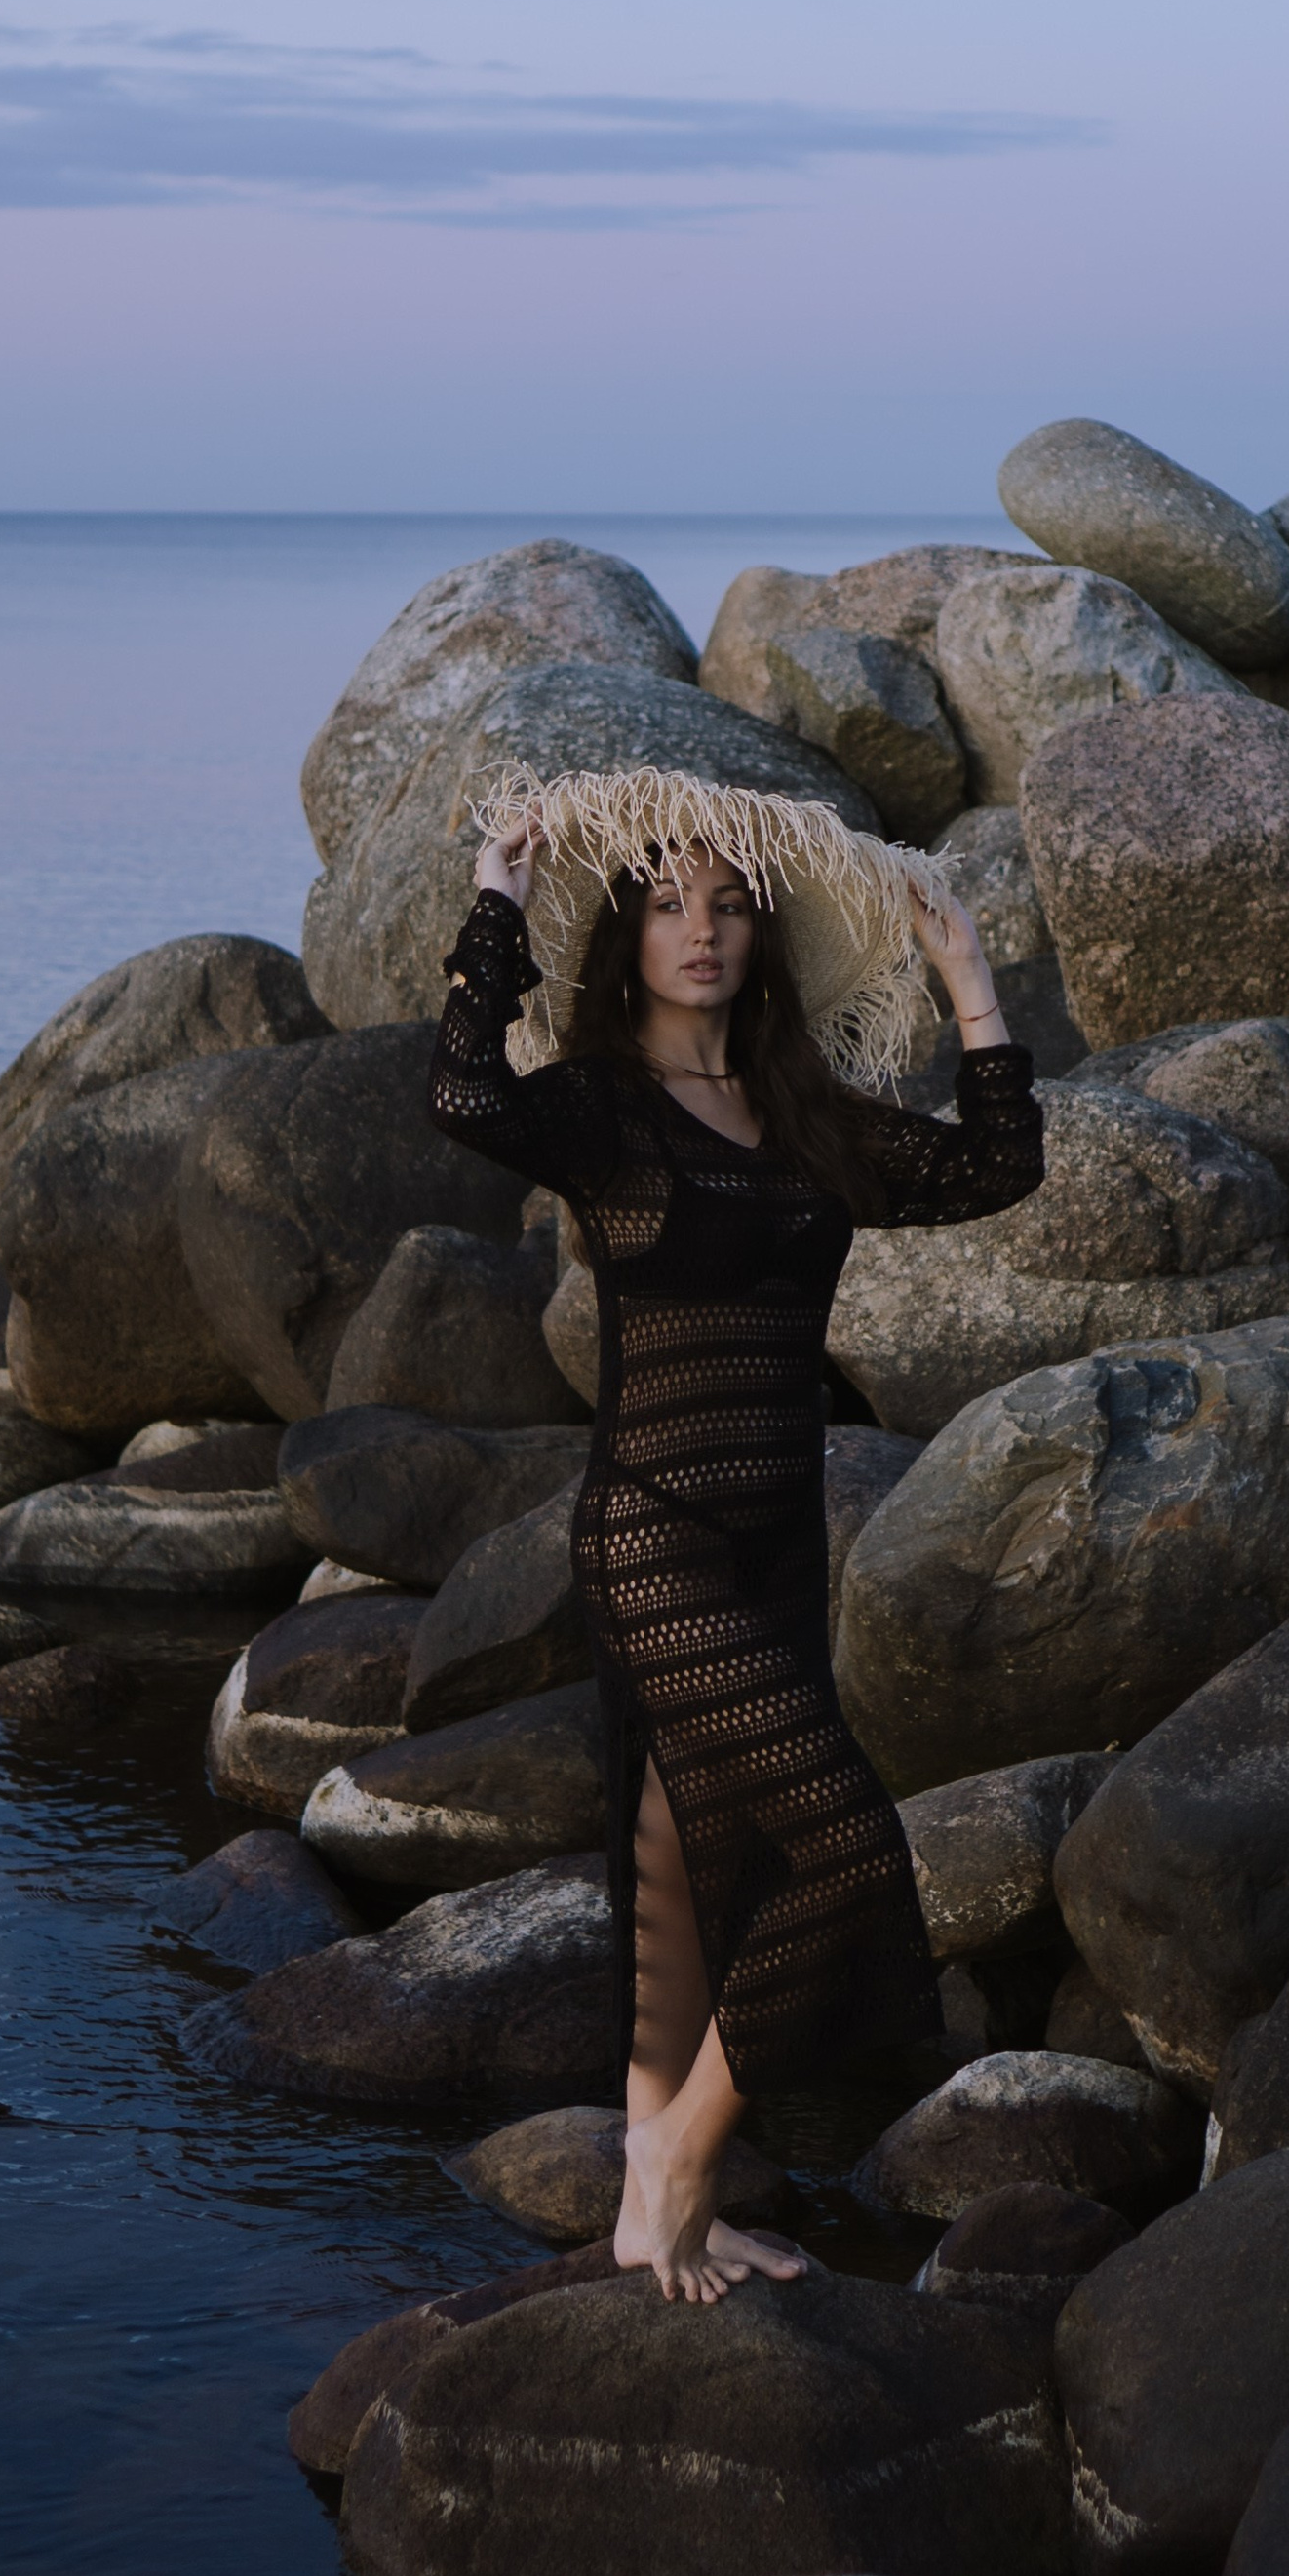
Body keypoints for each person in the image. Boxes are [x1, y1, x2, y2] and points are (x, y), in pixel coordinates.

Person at [427, 762, 1044, 2303]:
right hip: (654, 1533)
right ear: (627, 937)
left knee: (683, 1853)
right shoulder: (600, 1109)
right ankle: (688, 2160)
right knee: (842, 1850)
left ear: (761, 938)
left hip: (774, 1539)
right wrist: (498, 900)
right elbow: (463, 1093)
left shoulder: (803, 1119)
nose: (696, 931)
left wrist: (969, 978)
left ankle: (648, 2186)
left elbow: (997, 1165)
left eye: (724, 906)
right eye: (663, 905)